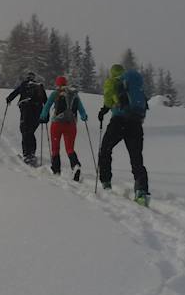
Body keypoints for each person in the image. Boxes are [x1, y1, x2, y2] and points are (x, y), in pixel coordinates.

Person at [97, 64, 152, 206]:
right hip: (136, 123)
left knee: (105, 149)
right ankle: (141, 191)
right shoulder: (133, 84)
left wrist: (104, 110)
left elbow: (108, 100)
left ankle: (106, 181)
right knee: (136, 158)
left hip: (118, 122)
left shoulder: (113, 82)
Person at [38, 76, 88, 180]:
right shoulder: (74, 94)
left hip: (57, 124)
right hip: (71, 125)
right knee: (70, 149)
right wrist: (84, 117)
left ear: (57, 83)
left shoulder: (55, 93)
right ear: (66, 83)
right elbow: (82, 111)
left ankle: (56, 171)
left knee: (55, 148)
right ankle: (75, 166)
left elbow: (47, 106)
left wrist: (42, 116)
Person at [4, 72, 47, 166]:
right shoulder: (39, 87)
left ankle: (27, 154)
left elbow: (15, 93)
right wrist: (45, 114)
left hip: (26, 111)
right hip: (37, 113)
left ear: (27, 78)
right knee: (31, 132)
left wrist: (8, 99)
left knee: (25, 132)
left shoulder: (24, 85)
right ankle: (32, 153)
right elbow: (46, 101)